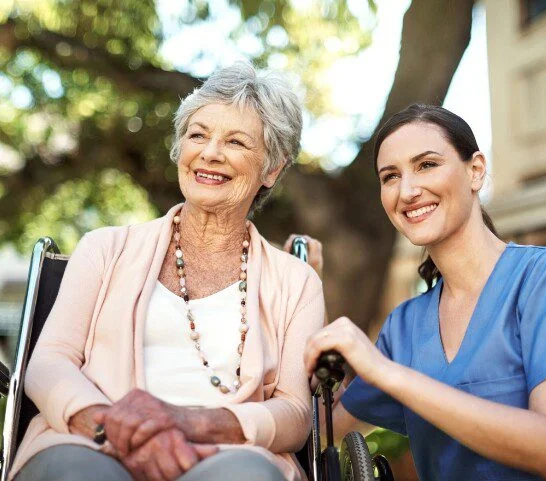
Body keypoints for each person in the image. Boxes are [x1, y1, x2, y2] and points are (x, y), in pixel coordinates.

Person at [10, 62, 325, 481]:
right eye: (198, 134)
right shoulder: (104, 248)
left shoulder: (297, 281)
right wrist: (116, 429)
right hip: (93, 444)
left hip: (229, 456)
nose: (210, 153)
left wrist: (189, 424)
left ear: (272, 169)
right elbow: (50, 362)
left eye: (235, 142)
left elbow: (295, 412)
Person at [304, 104, 546, 481]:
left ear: (475, 170)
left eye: (427, 165)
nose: (407, 191)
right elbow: (320, 432)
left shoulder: (539, 280)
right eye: (390, 176)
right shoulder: (404, 327)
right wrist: (303, 288)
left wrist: (389, 374)